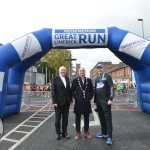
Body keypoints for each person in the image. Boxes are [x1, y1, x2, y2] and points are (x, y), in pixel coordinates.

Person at [94, 64, 114, 145]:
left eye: (100, 68)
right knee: (101, 118)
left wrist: (110, 99)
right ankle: (104, 132)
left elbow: (111, 88)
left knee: (108, 119)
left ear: (103, 68)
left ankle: (109, 137)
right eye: (98, 68)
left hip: (106, 102)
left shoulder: (107, 76)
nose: (99, 70)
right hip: (98, 102)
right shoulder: (97, 78)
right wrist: (95, 102)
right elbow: (96, 91)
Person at [71, 67, 94, 140]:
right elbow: (72, 91)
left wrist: (89, 98)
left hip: (86, 102)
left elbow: (92, 91)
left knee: (87, 118)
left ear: (85, 72)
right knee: (77, 118)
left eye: (83, 71)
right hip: (78, 102)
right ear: (78, 72)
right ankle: (78, 132)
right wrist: (76, 98)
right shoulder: (75, 80)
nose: (82, 72)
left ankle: (86, 131)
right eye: (80, 71)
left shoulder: (89, 80)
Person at [51, 66, 72, 140]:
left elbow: (69, 90)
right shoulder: (55, 79)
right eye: (62, 70)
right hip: (58, 103)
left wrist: (70, 100)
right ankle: (58, 133)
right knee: (57, 120)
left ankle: (64, 132)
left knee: (65, 119)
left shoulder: (67, 78)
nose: (63, 71)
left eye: (64, 70)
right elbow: (53, 91)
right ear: (59, 71)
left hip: (66, 103)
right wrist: (54, 101)